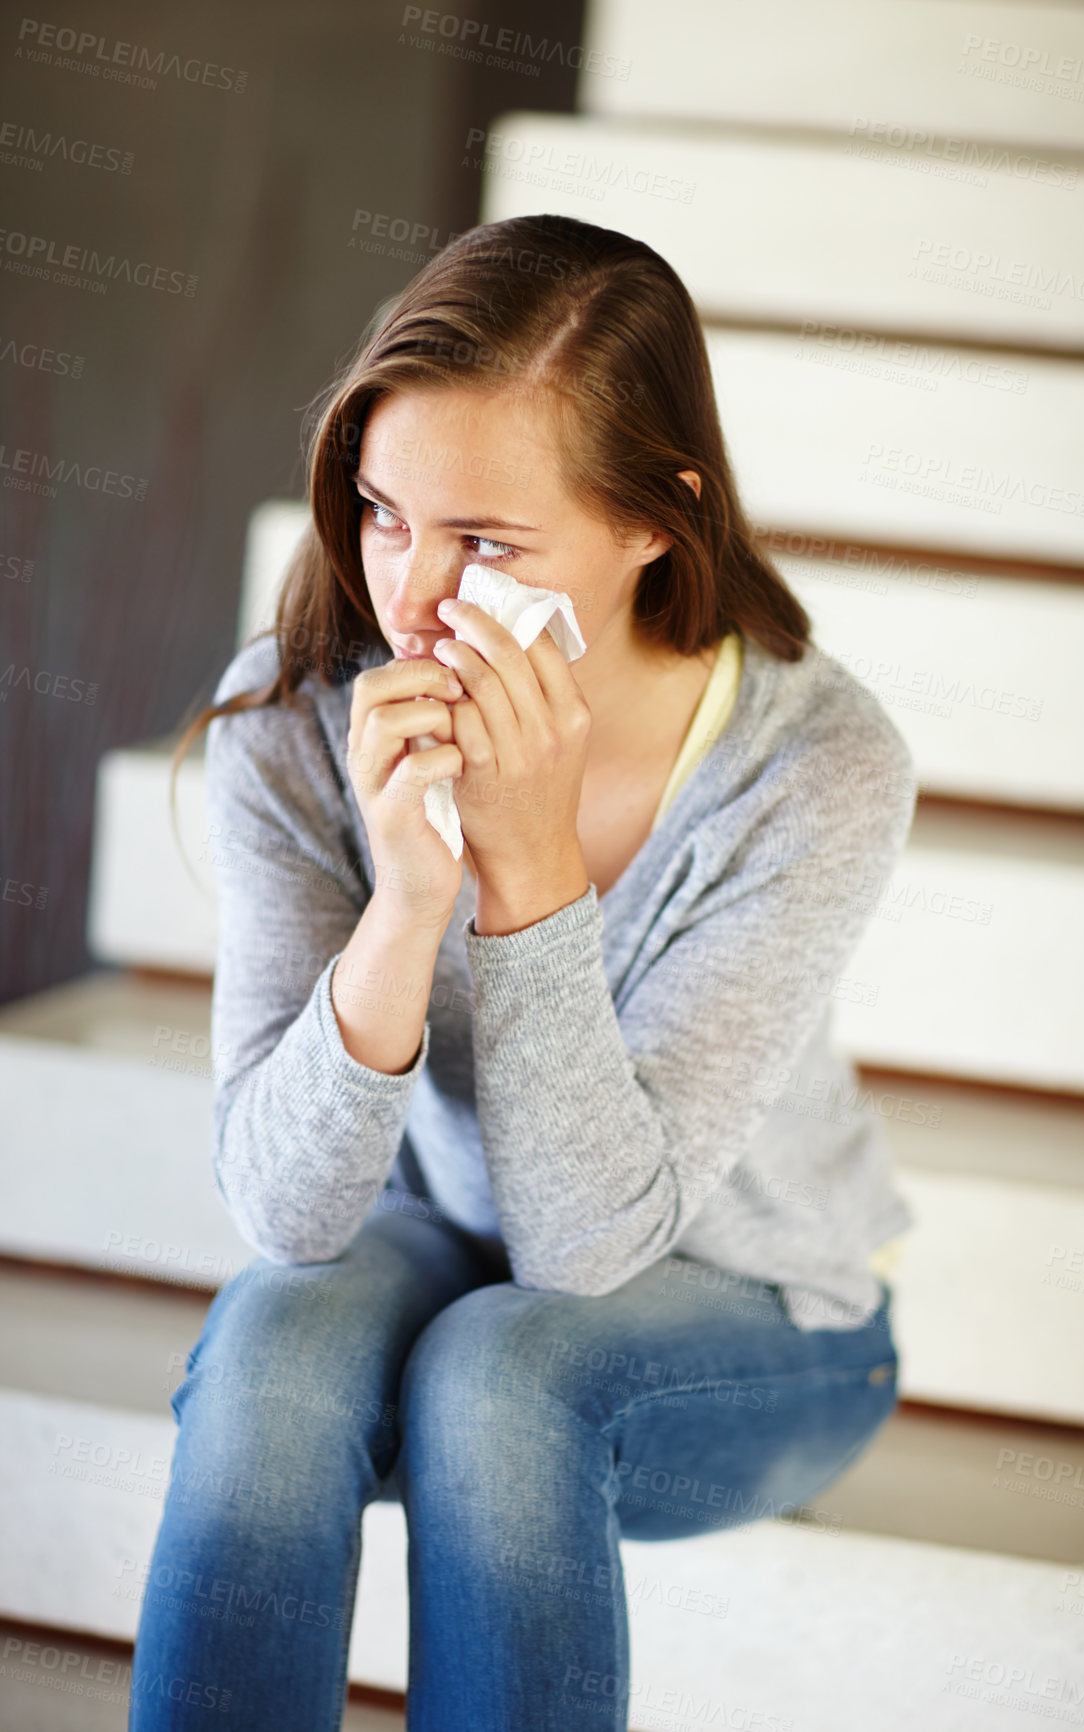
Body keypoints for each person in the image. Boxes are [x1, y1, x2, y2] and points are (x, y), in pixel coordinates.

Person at [132, 212, 917, 1731]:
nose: (405, 597)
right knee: (275, 1336)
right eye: (378, 511)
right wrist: (406, 897)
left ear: (650, 522)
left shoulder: (813, 769)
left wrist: (530, 870)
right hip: (455, 1247)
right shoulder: (298, 714)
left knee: (504, 1370)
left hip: (757, 1316)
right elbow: (290, 1213)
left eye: (485, 542)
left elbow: (579, 1252)